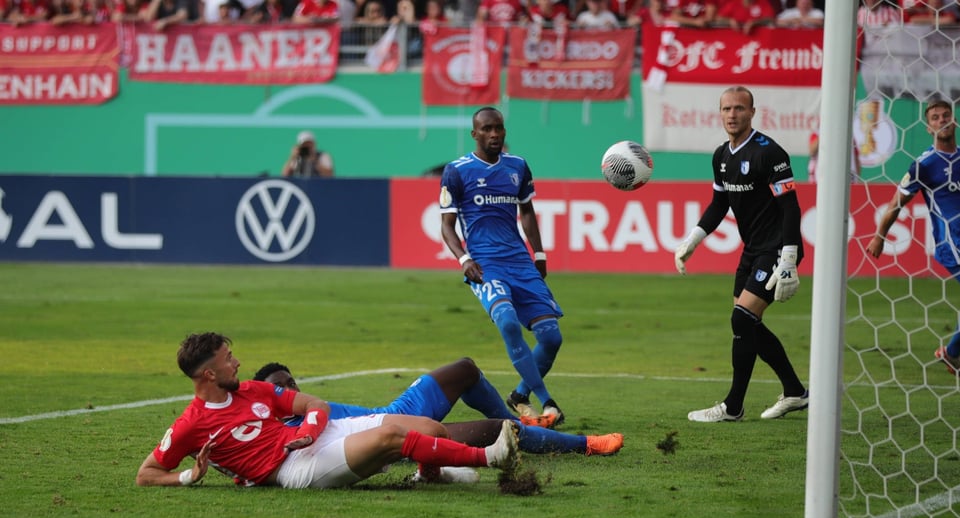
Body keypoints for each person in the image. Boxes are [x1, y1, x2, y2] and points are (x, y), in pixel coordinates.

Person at [136, 332, 520, 489]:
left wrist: (313, 428)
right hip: (291, 469)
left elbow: (313, 404)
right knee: (392, 438)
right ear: (208, 373)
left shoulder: (251, 390)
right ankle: (491, 457)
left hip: (310, 441)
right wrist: (187, 476)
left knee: (429, 427)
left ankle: (430, 475)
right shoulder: (192, 424)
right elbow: (146, 474)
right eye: (228, 359)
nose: (236, 363)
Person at [865, 98, 960, 391]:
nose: (941, 120)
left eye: (945, 115)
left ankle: (951, 352)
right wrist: (879, 235)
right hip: (956, 246)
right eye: (935, 117)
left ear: (955, 120)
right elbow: (896, 203)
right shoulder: (924, 165)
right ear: (928, 127)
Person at [674, 86, 810, 423]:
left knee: (742, 319)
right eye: (726, 109)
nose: (732, 115)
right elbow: (719, 203)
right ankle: (794, 391)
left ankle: (733, 406)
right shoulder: (721, 155)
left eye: (739, 109)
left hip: (777, 248)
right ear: (719, 113)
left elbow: (791, 207)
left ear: (752, 112)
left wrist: (789, 258)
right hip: (752, 249)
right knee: (746, 326)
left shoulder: (770, 153)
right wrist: (692, 241)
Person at [439, 107, 566, 426]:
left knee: (551, 337)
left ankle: (520, 395)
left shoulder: (518, 167)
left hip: (520, 262)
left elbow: (527, 212)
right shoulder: (457, 171)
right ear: (475, 134)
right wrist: (464, 259)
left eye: (499, 128)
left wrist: (539, 254)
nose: (495, 134)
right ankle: (546, 400)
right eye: (487, 129)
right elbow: (447, 226)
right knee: (508, 323)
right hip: (485, 265)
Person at [252, 360, 624, 456]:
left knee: (464, 369)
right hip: (391, 438)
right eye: (278, 387)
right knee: (499, 432)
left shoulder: (304, 404)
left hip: (391, 410)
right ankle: (584, 444)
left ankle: (521, 418)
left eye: (289, 381)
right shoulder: (281, 430)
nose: (287, 388)